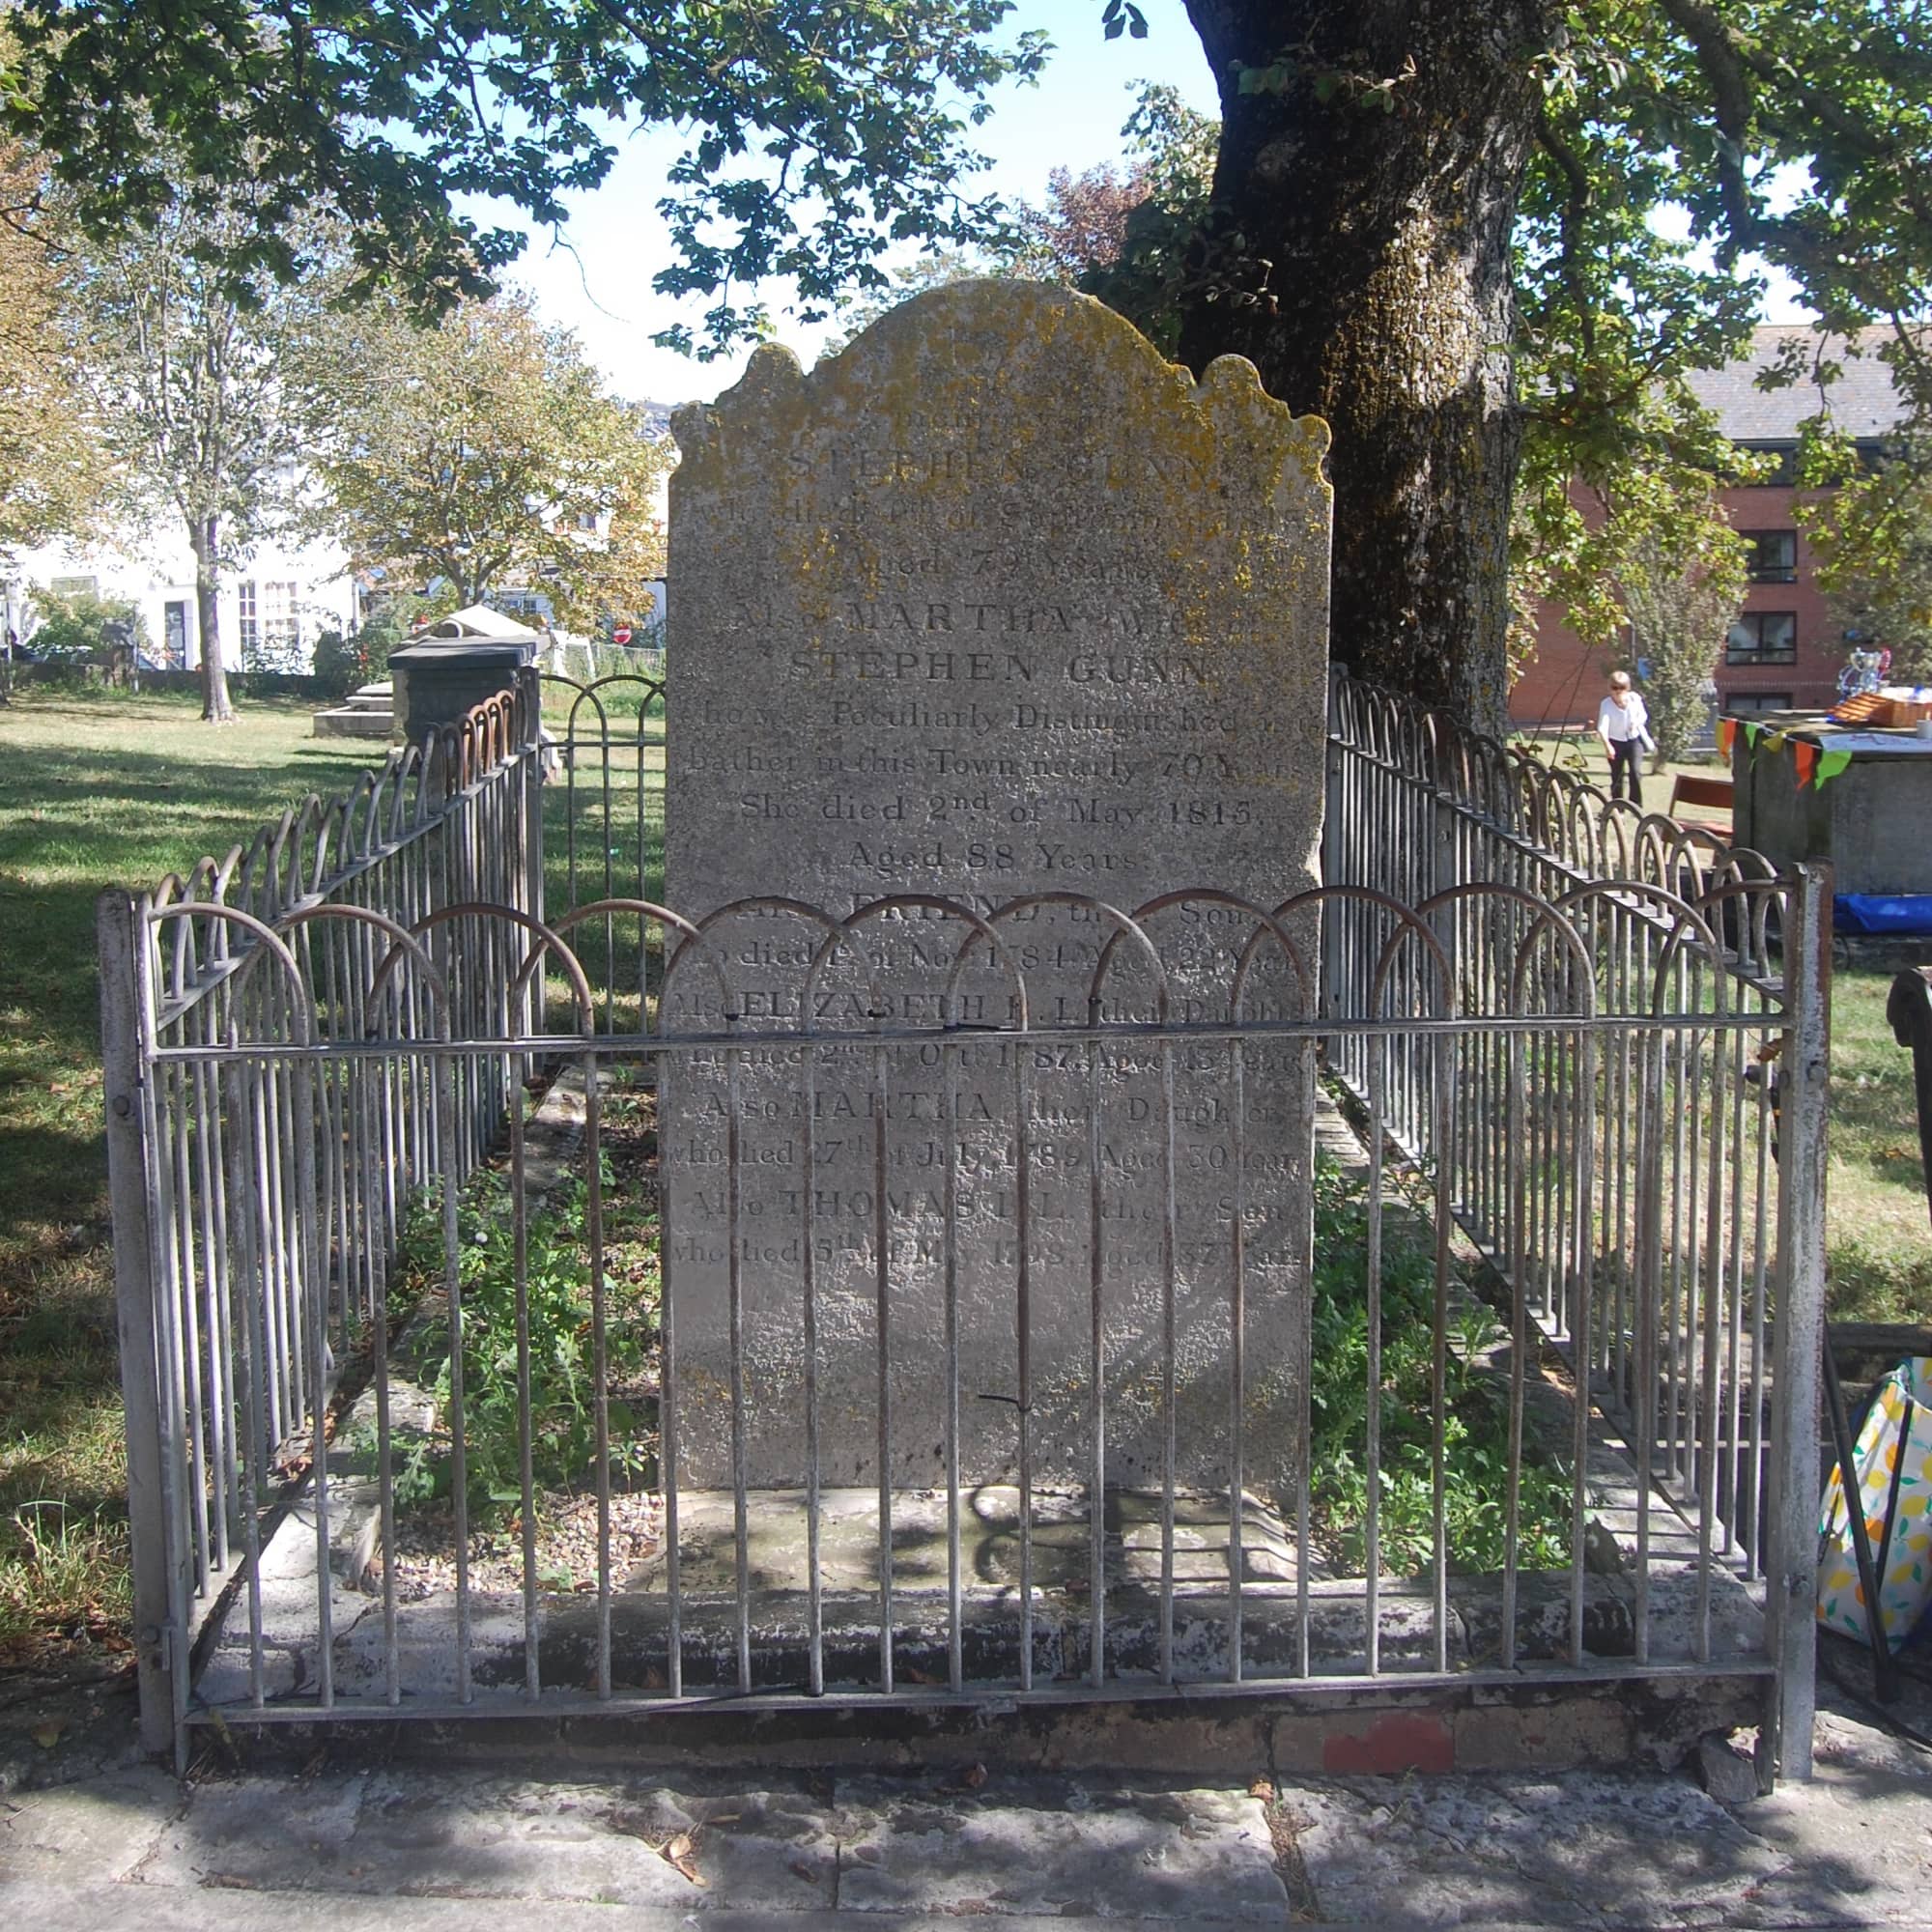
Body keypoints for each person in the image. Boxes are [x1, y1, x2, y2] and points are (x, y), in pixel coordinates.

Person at [1597, 668, 1655, 807]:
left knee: (1635, 771)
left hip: (1634, 740)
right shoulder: (1606, 704)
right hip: (1615, 742)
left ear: (1627, 688)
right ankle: (1618, 806)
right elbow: (1602, 727)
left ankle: (1635, 804)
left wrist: (1637, 722)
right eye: (1614, 688)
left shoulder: (1635, 698)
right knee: (1617, 775)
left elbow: (1643, 715)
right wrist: (1608, 746)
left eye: (1622, 688)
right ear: (1610, 688)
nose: (1618, 691)